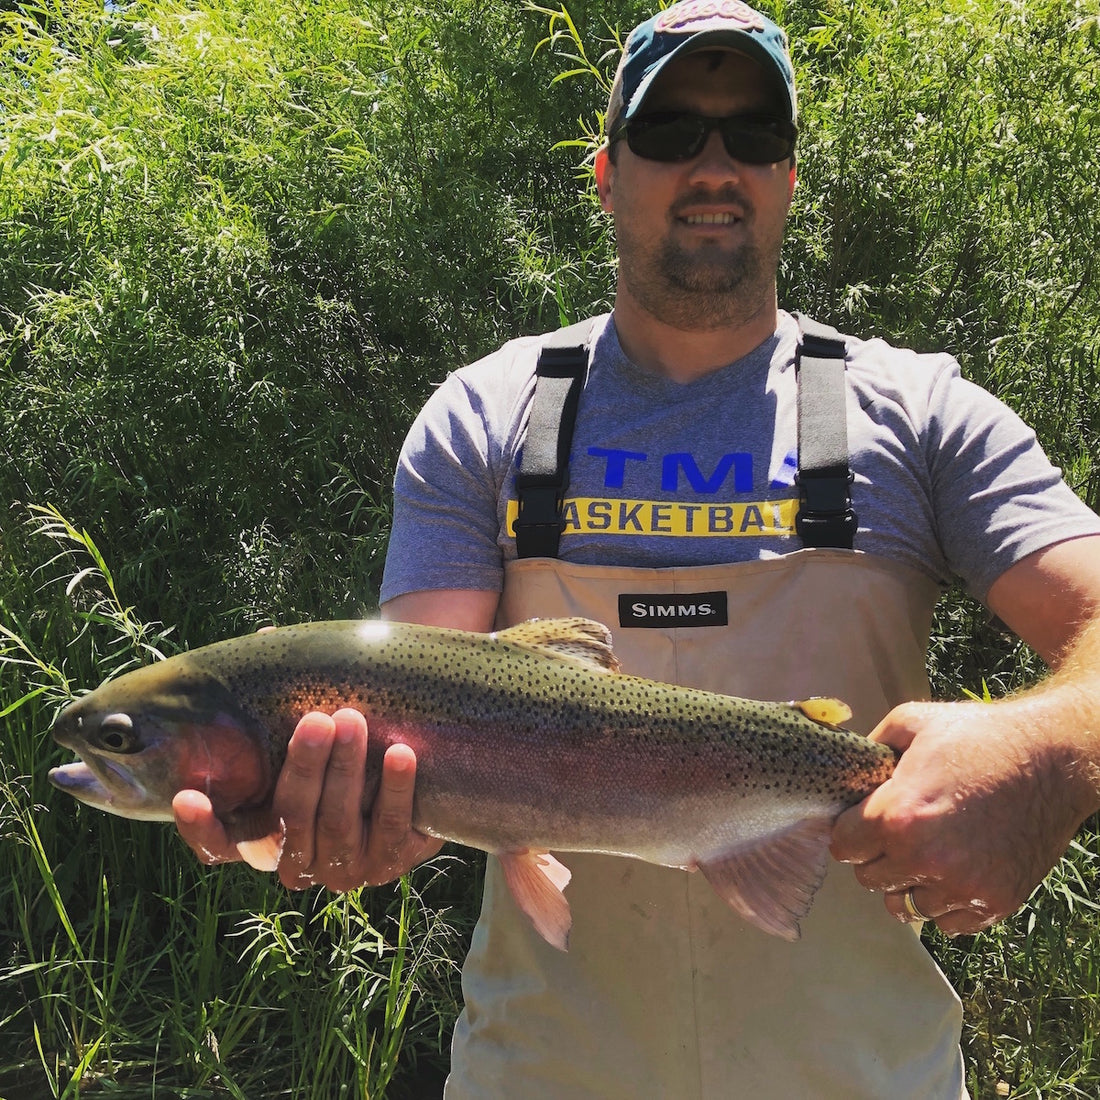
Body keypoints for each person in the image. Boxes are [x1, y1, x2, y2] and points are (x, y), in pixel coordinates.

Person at [174, 2, 1100, 1095]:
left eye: (752, 135)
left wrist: (1045, 752)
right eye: (670, 135)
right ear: (608, 173)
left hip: (861, 1073)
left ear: (788, 177)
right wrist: (349, 816)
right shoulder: (488, 416)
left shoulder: (916, 412)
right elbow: (409, 712)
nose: (715, 165)